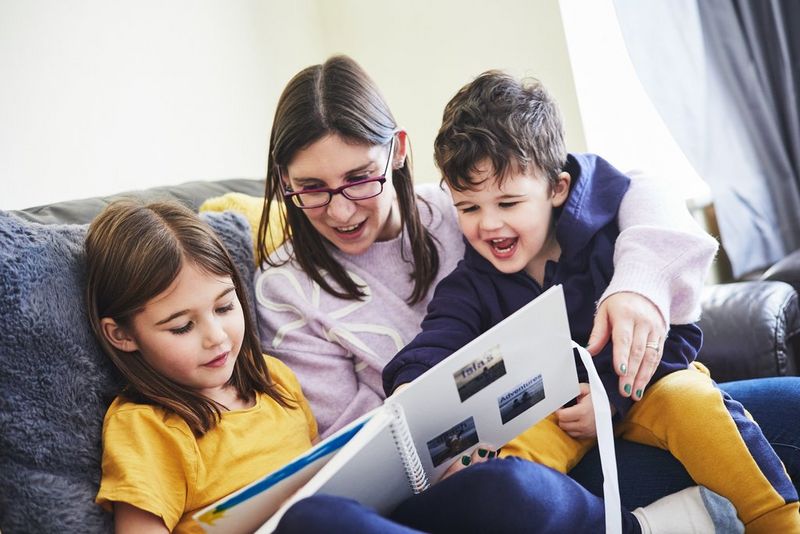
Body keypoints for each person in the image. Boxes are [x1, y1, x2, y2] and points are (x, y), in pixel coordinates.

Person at [83, 200, 738, 534]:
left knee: (501, 484)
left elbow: (331, 474)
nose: (215, 338)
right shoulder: (148, 426)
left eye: (225, 307)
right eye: (180, 325)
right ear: (123, 334)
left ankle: (629, 529)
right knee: (315, 522)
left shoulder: (273, 383)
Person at [382, 70, 800, 531]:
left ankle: (775, 520)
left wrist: (611, 399)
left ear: (556, 188)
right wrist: (410, 389)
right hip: (549, 414)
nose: (489, 225)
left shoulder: (615, 235)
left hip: (642, 392)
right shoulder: (470, 283)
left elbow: (678, 333)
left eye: (508, 203)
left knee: (696, 403)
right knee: (504, 471)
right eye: (468, 208)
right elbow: (436, 341)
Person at [254, 55, 716, 440]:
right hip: (475, 453)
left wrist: (641, 281)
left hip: (593, 411)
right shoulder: (285, 288)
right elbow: (358, 431)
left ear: (396, 152)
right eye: (311, 187)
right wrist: (417, 408)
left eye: (359, 179)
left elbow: (630, 187)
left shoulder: (461, 207)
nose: (340, 212)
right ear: (282, 181)